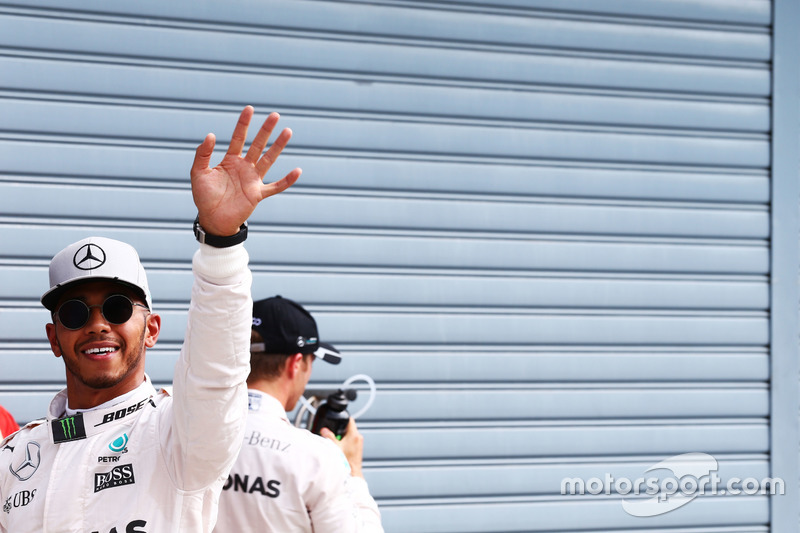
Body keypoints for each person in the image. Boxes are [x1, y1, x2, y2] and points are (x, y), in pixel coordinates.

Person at [0, 106, 302, 532]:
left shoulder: (179, 436)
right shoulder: (16, 454)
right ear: (54, 338)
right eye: (75, 312)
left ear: (152, 329)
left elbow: (216, 371)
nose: (98, 324)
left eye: (119, 307)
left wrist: (221, 244)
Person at [213, 295, 384, 532]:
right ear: (296, 363)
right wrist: (353, 469)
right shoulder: (319, 459)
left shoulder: (185, 432)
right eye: (311, 361)